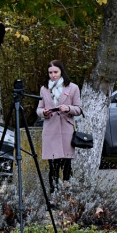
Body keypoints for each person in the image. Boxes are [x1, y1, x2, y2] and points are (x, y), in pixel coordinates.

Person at [36, 60, 83, 192]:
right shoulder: (44, 89)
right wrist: (44, 112)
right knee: (53, 167)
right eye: (50, 72)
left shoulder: (72, 87)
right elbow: (39, 109)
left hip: (66, 130)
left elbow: (79, 109)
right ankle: (54, 196)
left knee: (67, 166)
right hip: (50, 130)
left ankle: (68, 197)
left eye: (55, 72)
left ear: (61, 71)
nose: (53, 75)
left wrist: (67, 108)